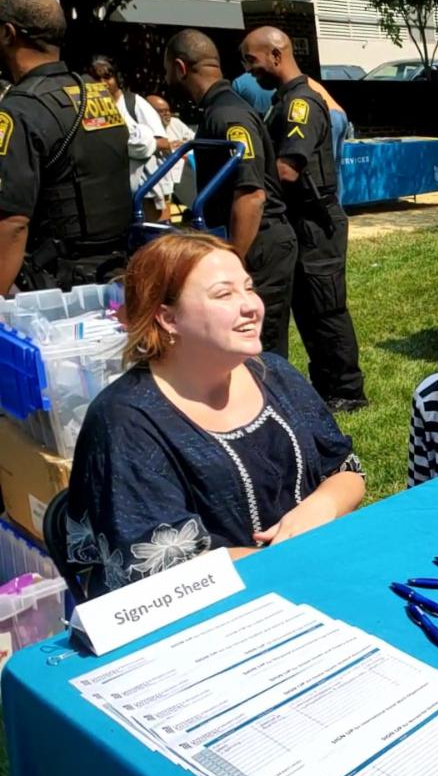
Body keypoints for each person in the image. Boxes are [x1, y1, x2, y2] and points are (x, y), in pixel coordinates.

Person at [65, 233, 365, 600]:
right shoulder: (125, 421)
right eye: (224, 294)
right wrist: (287, 561)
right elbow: (162, 569)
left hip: (303, 580)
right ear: (168, 318)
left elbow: (346, 470)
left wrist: (319, 507)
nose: (251, 306)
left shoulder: (274, 374)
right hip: (204, 616)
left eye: (249, 288)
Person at [241, 26, 367, 413]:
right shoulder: (281, 101)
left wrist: (250, 180)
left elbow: (288, 168)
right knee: (308, 310)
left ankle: (347, 391)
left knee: (326, 308)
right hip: (301, 221)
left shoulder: (301, 104)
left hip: (317, 221)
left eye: (253, 60)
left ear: (277, 55)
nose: (250, 70)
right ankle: (325, 385)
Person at [164, 29, 299, 358]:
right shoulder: (217, 110)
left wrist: (232, 262)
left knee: (260, 349)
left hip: (258, 243)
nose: (165, 76)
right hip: (249, 240)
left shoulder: (228, 115)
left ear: (181, 68)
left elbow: (252, 195)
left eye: (166, 68)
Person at [0, 0, 130, 293]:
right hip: (115, 273)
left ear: (8, 34)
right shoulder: (94, 93)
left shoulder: (17, 111)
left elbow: (12, 224)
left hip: (48, 287)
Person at [89, 55, 173, 224]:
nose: (102, 83)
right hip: (114, 193)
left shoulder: (134, 103)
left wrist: (138, 144)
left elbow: (164, 143)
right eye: (96, 78)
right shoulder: (92, 109)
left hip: (146, 190)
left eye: (107, 77)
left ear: (117, 78)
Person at [146, 94, 195, 194]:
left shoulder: (175, 123)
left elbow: (193, 140)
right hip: (156, 181)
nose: (167, 114)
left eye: (168, 110)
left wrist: (183, 145)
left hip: (183, 176)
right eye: (161, 111)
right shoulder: (143, 129)